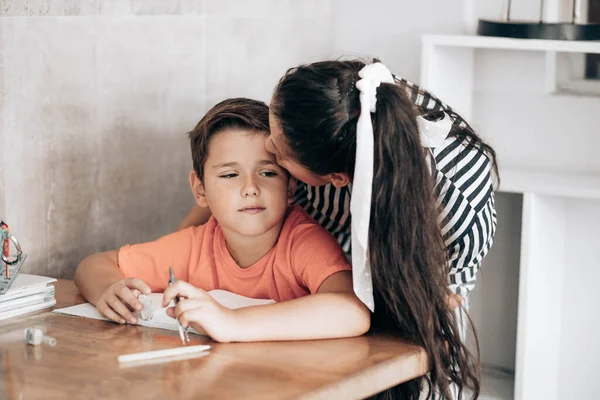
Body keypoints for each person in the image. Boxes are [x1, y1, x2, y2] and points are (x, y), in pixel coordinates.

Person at [181, 60, 498, 399]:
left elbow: (435, 307)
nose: (269, 149)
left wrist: (233, 324)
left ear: (335, 179)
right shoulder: (348, 100)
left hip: (408, 300)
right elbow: (224, 200)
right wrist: (184, 243)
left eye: (281, 158)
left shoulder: (457, 209)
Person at [74, 98, 370, 343]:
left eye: (267, 173)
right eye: (230, 175)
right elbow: (95, 264)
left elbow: (353, 310)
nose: (250, 188)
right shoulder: (194, 244)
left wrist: (230, 322)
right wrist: (108, 290)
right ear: (200, 189)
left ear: (291, 186)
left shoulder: (302, 241)